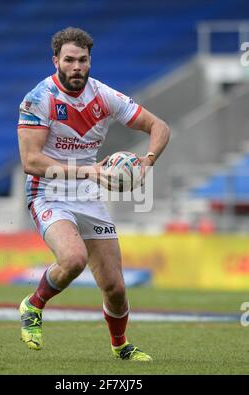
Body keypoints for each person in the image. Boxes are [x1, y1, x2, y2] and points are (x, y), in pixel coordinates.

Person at [17, 27, 170, 362]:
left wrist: (147, 162)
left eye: (82, 60)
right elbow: (31, 161)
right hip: (48, 192)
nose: (76, 67)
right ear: (55, 60)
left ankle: (120, 346)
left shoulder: (103, 96)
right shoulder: (38, 98)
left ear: (90, 61)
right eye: (69, 60)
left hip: (88, 193)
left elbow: (159, 126)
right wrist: (91, 171)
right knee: (73, 259)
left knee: (114, 287)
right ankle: (33, 304)